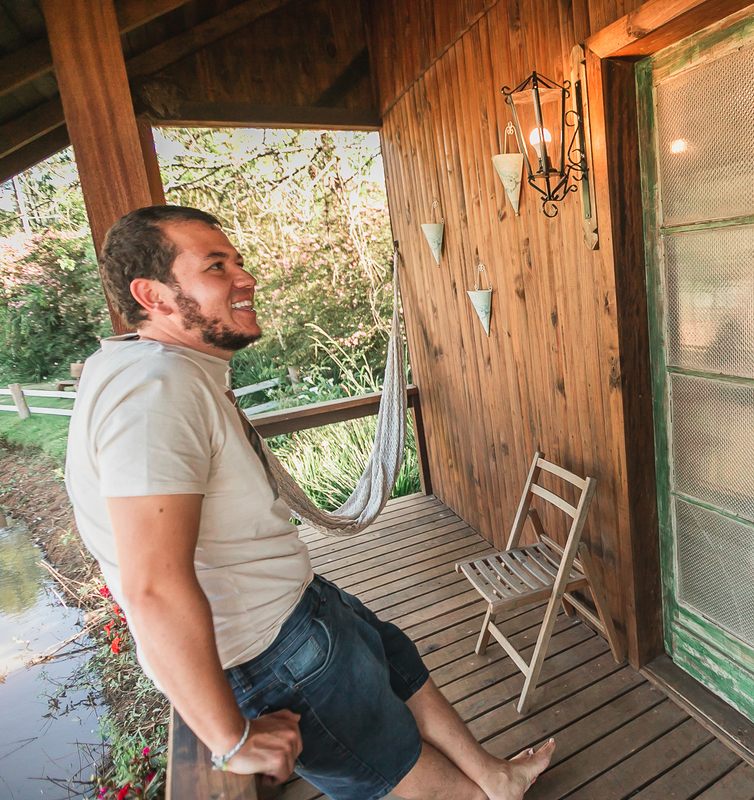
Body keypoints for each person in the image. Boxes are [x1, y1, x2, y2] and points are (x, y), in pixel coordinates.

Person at [65, 206, 554, 800]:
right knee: (399, 772)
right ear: (154, 295)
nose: (244, 278)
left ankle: (497, 778)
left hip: (295, 605)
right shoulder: (155, 393)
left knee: (401, 668)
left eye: (237, 262)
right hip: (269, 653)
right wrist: (229, 737)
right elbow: (153, 586)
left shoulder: (156, 370)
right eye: (216, 267)